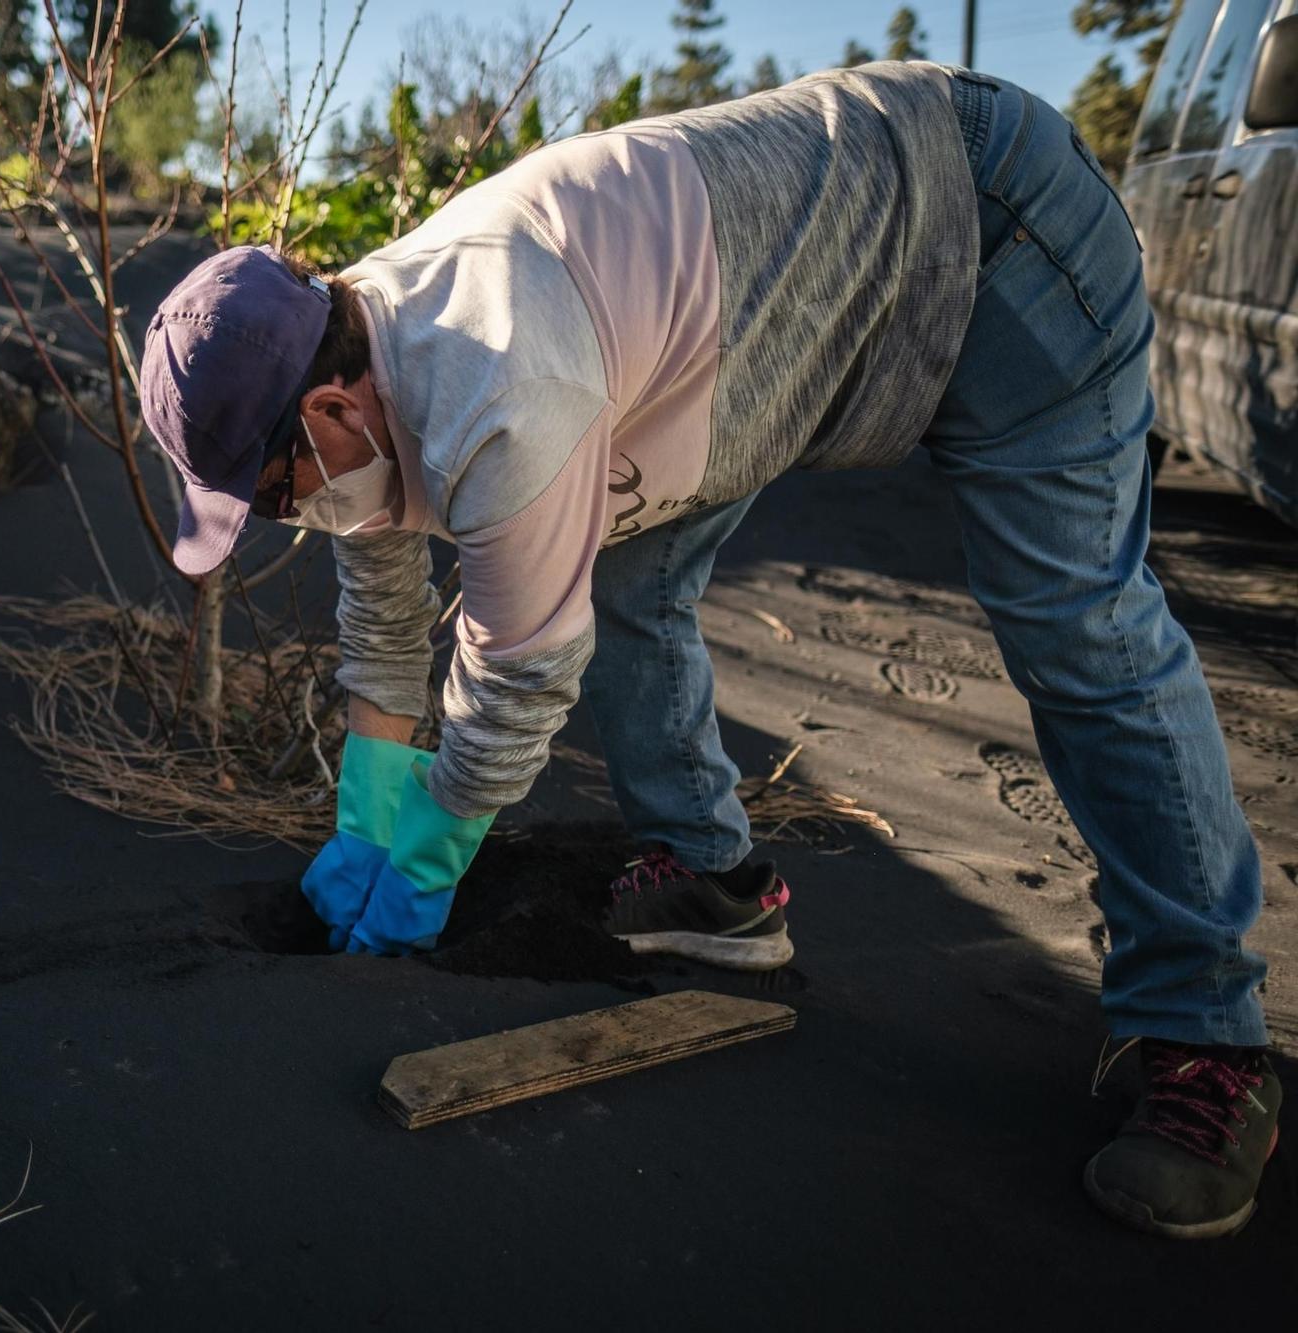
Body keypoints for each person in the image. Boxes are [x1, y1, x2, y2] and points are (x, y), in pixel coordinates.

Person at [137, 62, 1277, 1239]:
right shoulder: (349, 352)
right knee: (630, 573)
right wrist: (363, 820)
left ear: (327, 417)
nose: (278, 516)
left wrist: (426, 860)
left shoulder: (491, 380)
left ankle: (1205, 1034)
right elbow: (381, 609)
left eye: (267, 494)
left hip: (984, 221)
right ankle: (713, 882)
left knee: (1072, 615)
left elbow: (519, 668)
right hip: (758, 321)